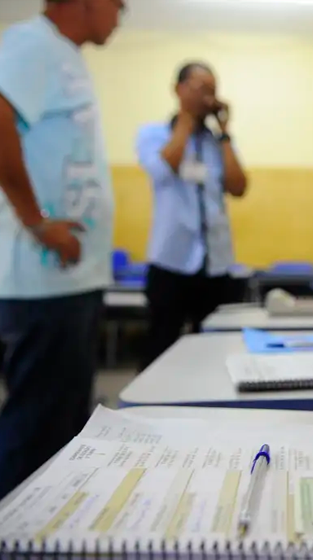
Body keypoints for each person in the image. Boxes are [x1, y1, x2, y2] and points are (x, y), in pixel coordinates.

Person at [0, 0, 123, 500]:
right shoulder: (33, 42)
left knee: (64, 425)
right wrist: (36, 221)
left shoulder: (66, 55)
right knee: (37, 425)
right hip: (45, 279)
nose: (120, 15)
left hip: (72, 278)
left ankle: (49, 529)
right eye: (120, 4)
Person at [136, 62, 248, 370]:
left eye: (212, 90)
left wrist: (225, 133)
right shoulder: (153, 134)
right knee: (160, 348)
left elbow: (238, 187)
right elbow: (163, 168)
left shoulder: (217, 143)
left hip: (216, 264)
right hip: (171, 261)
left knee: (215, 351)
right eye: (200, 88)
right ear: (178, 89)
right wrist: (185, 120)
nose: (208, 97)